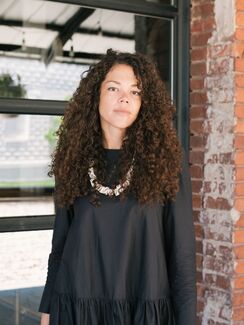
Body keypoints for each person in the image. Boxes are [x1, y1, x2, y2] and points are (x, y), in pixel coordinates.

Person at [39, 49, 196, 325]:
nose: (125, 98)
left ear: (144, 102)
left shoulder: (167, 162)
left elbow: (182, 255)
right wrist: (47, 310)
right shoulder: (72, 160)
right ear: (94, 96)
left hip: (143, 311)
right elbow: (60, 245)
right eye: (114, 88)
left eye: (135, 91)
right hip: (76, 308)